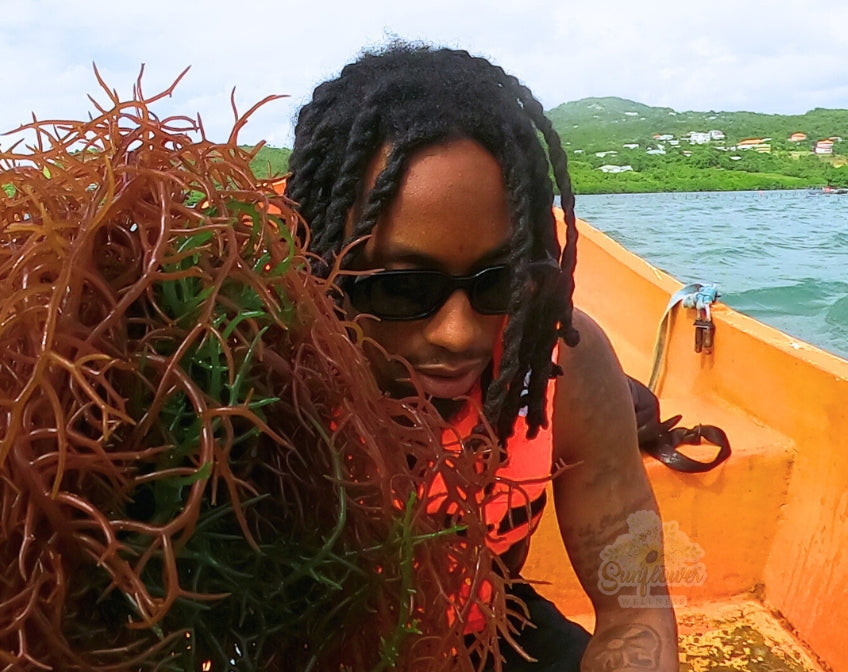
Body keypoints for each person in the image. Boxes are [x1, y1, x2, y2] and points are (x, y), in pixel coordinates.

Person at [286, 42, 679, 672]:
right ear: (324, 269)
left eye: (499, 282)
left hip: (488, 628)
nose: (458, 333)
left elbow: (635, 608)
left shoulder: (562, 365)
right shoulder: (263, 384)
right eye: (402, 288)